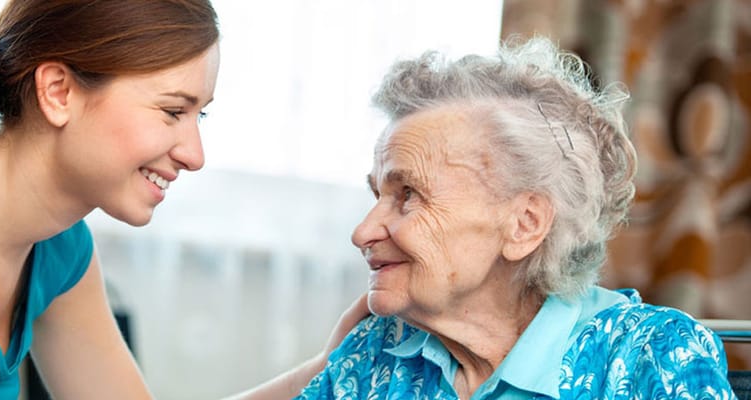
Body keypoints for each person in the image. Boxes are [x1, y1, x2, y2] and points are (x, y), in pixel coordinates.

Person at [0, 0, 367, 398]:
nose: (194, 152)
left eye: (199, 115)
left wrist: (325, 369)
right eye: (172, 111)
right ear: (58, 91)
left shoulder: (56, 243)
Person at [296, 37, 737, 399]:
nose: (363, 232)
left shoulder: (650, 357)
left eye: (408, 194)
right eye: (377, 194)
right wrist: (323, 365)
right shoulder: (378, 351)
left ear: (525, 224)